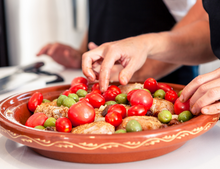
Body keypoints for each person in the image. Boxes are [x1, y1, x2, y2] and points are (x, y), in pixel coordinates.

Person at [82, 0, 220, 115]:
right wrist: (144, 44)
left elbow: (208, 31)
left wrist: (138, 71)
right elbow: (214, 27)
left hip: (169, 85)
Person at [37, 0, 201, 86]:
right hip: (107, 83)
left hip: (164, 84)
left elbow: (204, 21)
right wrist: (81, 53)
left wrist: (134, 73)